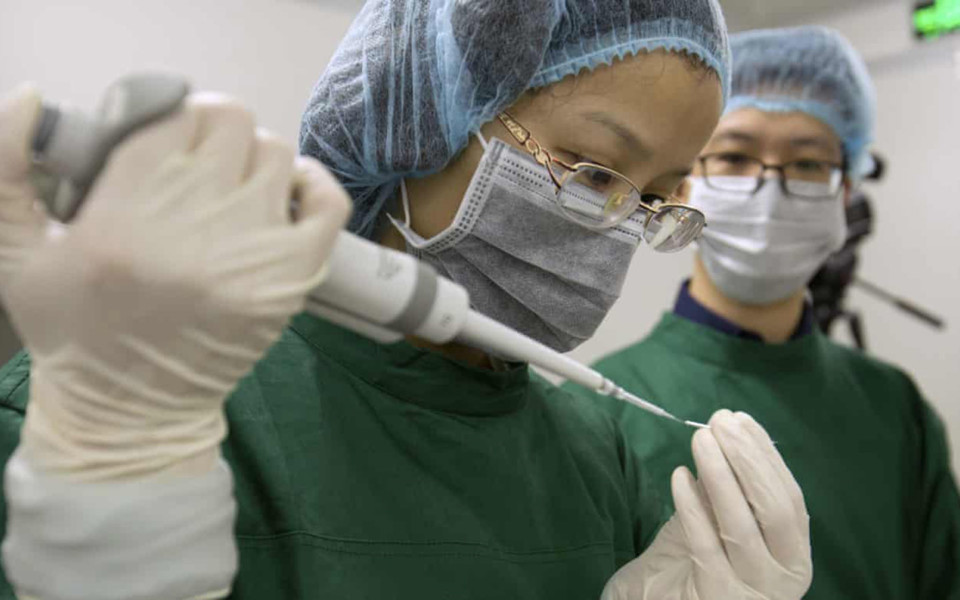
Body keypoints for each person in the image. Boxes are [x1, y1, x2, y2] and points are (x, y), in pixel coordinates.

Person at [0, 2, 813, 599]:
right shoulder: (125, 396)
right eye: (597, 173)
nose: (618, 229)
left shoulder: (593, 447)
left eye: (659, 201)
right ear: (421, 119)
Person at [575, 26, 960, 600]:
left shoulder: (893, 406)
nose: (769, 185)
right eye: (733, 155)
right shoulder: (598, 411)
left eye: (807, 164)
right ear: (683, 183)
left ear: (847, 192)